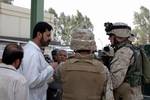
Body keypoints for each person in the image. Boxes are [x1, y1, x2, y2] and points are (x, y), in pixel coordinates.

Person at [54, 28, 114, 100]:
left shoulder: (62, 67)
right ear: (92, 45)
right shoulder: (103, 69)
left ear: (74, 45)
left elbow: (56, 80)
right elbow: (109, 97)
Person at [104, 22, 143, 100]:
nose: (109, 38)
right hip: (134, 94)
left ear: (118, 36)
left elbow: (114, 82)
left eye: (111, 36)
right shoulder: (132, 48)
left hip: (126, 96)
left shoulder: (123, 52)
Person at [18, 21, 56, 100]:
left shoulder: (33, 50)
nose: (50, 39)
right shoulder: (33, 53)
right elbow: (32, 82)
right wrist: (51, 68)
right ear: (39, 35)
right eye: (48, 35)